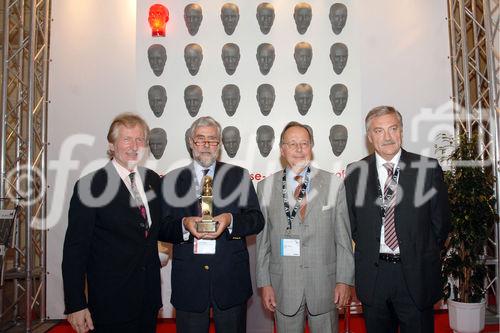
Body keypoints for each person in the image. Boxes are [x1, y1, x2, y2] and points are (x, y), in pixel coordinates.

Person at [344, 106, 450, 333]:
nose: (388, 136)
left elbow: (440, 225)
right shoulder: (355, 172)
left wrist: (419, 252)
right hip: (375, 275)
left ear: (401, 131)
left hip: (416, 275)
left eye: (393, 128)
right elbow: (353, 225)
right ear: (370, 137)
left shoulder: (427, 169)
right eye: (379, 131)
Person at [159, 116, 264, 333]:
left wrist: (230, 220)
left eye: (213, 140)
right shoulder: (170, 180)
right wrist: (184, 224)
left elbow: (256, 220)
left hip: (230, 281)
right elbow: (161, 227)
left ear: (219, 144)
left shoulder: (239, 176)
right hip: (189, 283)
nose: (206, 145)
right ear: (190, 142)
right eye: (200, 139)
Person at [62, 113, 163, 333]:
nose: (134, 146)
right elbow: (75, 250)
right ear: (112, 144)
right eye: (127, 139)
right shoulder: (91, 186)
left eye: (139, 140)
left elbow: (156, 228)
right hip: (110, 304)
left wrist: (187, 225)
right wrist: (76, 303)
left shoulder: (153, 180)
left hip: (148, 299)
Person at [256, 121, 354, 333]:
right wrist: (265, 284)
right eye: (292, 144)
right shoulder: (265, 187)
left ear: (311, 147)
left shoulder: (333, 184)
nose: (299, 149)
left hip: (325, 286)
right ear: (282, 150)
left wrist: (344, 280)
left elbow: (343, 239)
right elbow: (263, 242)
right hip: (284, 286)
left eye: (304, 143)